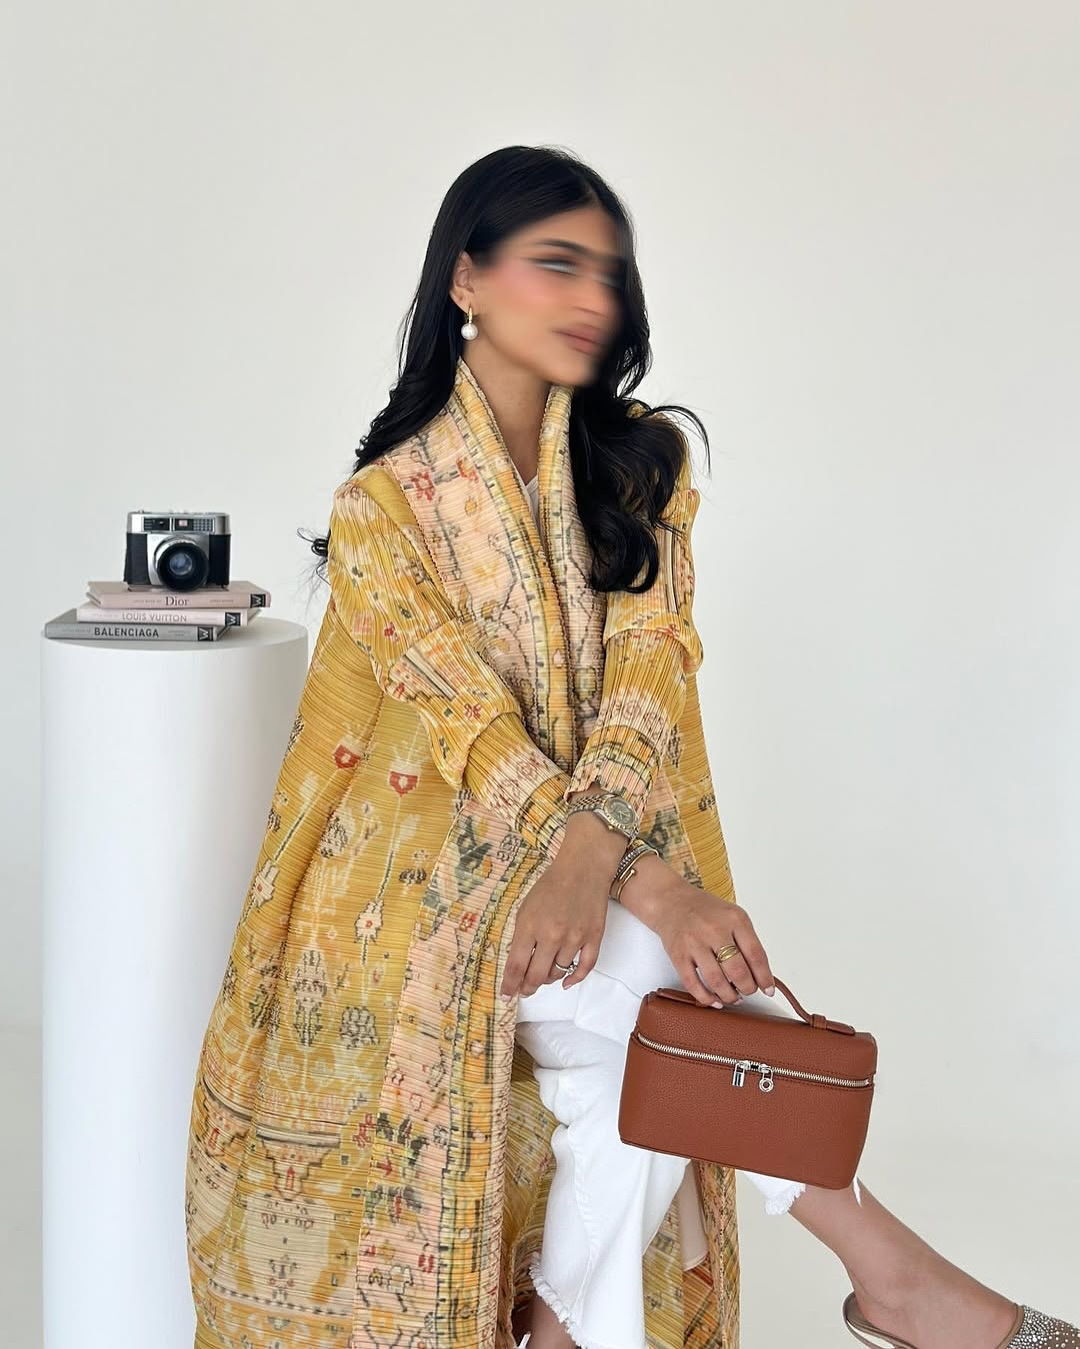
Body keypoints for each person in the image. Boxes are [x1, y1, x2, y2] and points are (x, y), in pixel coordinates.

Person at [184, 145, 1078, 1349]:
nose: (592, 298)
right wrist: (651, 881)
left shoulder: (641, 461)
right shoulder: (383, 508)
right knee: (676, 985)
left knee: (651, 1035)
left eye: (609, 272)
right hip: (413, 883)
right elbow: (469, 723)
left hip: (586, 867)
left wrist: (595, 864)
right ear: (465, 278)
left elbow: (651, 673)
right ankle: (905, 1288)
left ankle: (757, 1309)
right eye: (557, 263)